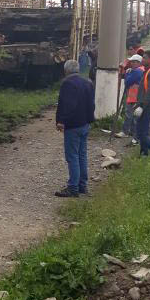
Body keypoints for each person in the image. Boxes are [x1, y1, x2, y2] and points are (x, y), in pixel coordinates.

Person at [55, 59, 95, 197]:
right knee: (82, 155)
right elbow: (92, 104)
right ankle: (82, 185)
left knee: (72, 156)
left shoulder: (67, 84)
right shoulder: (87, 83)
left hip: (73, 125)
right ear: (77, 69)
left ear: (66, 70)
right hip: (85, 124)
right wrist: (90, 120)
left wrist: (61, 121)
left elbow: (68, 105)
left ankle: (73, 188)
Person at [120, 53, 144, 141]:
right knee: (134, 116)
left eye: (134, 62)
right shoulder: (141, 70)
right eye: (131, 62)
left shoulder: (137, 71)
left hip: (134, 97)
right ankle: (133, 132)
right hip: (136, 96)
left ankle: (125, 131)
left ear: (139, 63)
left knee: (129, 115)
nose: (131, 64)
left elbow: (127, 82)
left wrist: (127, 74)